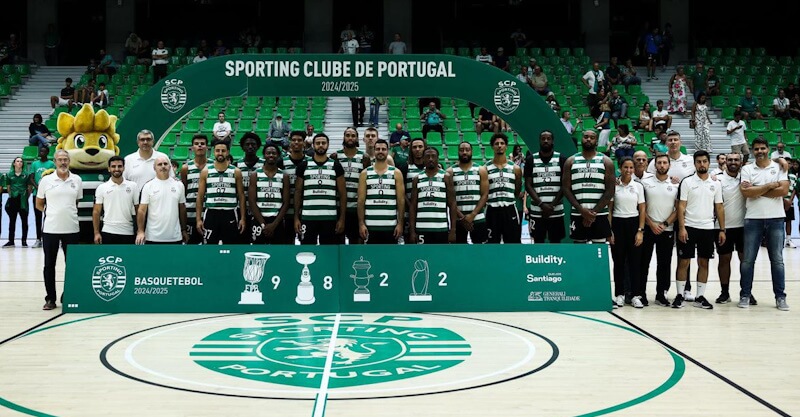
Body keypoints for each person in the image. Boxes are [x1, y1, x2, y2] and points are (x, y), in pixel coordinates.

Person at [738, 138, 790, 311]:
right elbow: (746, 193)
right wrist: (769, 186)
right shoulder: (746, 169)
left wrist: (757, 189)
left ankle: (780, 297)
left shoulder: (779, 167)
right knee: (747, 260)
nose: (759, 151)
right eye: (756, 149)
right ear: (752, 151)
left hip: (776, 219)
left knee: (777, 261)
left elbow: (783, 190)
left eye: (763, 148)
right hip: (753, 219)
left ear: (768, 149)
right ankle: (745, 295)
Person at [673, 150, 725, 309]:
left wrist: (722, 229)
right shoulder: (687, 182)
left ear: (709, 163)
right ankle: (680, 295)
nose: (702, 164)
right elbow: (681, 206)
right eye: (699, 162)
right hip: (688, 227)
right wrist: (681, 227)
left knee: (704, 262)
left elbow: (719, 207)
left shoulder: (715, 184)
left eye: (704, 161)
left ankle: (700, 296)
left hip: (708, 229)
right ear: (694, 164)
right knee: (683, 262)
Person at [35, 150, 82, 310]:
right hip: (50, 230)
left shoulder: (77, 180)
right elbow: (39, 203)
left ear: (69, 161)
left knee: (72, 265)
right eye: (60, 160)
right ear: (54, 161)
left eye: (66, 160)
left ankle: (67, 295)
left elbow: (76, 202)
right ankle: (50, 299)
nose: (63, 162)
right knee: (49, 265)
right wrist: (52, 213)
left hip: (72, 229)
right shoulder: (46, 181)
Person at [562, 130, 616, 243]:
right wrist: (581, 210)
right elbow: (566, 189)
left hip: (600, 214)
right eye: (586, 137)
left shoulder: (606, 161)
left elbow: (610, 190)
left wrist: (592, 213)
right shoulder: (570, 161)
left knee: (599, 250)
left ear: (596, 141)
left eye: (592, 137)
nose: (588, 139)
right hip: (578, 213)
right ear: (581, 139)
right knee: (579, 251)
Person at [294, 133, 347, 245]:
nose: (321, 145)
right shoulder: (304, 165)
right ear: (313, 145)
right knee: (307, 251)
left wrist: (342, 219)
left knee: (328, 253)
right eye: (318, 143)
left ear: (328, 145)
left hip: (329, 218)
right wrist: (296, 218)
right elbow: (298, 193)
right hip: (308, 217)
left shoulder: (336, 166)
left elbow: (342, 194)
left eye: (323, 143)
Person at [640, 154, 678, 307]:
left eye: (664, 163)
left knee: (664, 264)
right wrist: (651, 224)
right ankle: (640, 293)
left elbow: (678, 208)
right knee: (644, 263)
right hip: (648, 229)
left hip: (666, 230)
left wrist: (664, 224)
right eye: (659, 163)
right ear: (654, 165)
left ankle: (661, 294)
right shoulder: (645, 182)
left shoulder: (676, 185)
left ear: (669, 165)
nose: (662, 165)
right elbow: (640, 207)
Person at [609, 157, 646, 308]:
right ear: (620, 168)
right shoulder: (614, 186)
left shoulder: (638, 186)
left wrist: (640, 231)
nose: (629, 170)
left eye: (631, 168)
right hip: (618, 224)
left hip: (633, 224)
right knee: (618, 262)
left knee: (635, 262)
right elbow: (610, 210)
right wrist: (610, 230)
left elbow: (642, 209)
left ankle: (636, 295)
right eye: (626, 167)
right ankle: (620, 295)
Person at [196, 139, 247, 244]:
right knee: (209, 247)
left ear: (227, 152)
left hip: (230, 213)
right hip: (211, 213)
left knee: (231, 246)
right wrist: (198, 220)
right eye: (217, 150)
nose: (220, 153)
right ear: (214, 152)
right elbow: (200, 197)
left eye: (223, 151)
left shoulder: (236, 172)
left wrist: (243, 218)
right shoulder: (206, 171)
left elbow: (241, 196)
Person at [714, 152, 748, 304]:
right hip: (723, 227)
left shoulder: (747, 178)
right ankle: (724, 292)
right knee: (724, 259)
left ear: (741, 162)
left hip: (744, 226)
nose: (733, 162)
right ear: (725, 162)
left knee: (745, 260)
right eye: (730, 160)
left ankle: (746, 292)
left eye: (736, 160)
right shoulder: (718, 179)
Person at [358, 139, 405, 244]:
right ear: (374, 151)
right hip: (370, 226)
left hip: (391, 227)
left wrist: (400, 224)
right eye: (378, 149)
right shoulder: (365, 173)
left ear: (387, 151)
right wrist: (361, 224)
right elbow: (361, 201)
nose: (380, 151)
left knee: (390, 258)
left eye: (383, 149)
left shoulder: (396, 173)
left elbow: (401, 201)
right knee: (371, 258)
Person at [525, 131, 568, 244]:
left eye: (548, 138)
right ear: (539, 141)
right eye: (543, 138)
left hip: (556, 210)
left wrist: (552, 206)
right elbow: (528, 185)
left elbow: (565, 185)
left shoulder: (561, 159)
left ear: (552, 141)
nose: (546, 141)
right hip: (536, 211)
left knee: (556, 241)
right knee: (538, 241)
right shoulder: (531, 159)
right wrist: (541, 205)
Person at [135, 156, 188, 245]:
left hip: (175, 237)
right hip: (152, 237)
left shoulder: (179, 185)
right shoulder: (148, 186)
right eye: (159, 164)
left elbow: (182, 208)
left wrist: (183, 230)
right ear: (154, 168)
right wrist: (140, 231)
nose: (163, 166)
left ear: (170, 167)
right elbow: (142, 211)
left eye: (165, 164)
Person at [331, 127, 371, 244]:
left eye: (353, 135)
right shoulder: (335, 156)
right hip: (338, 207)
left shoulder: (364, 158)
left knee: (356, 242)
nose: (350, 138)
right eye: (347, 135)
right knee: (338, 242)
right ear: (343, 138)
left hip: (356, 208)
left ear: (357, 139)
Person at [409, 147, 456, 244]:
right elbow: (413, 206)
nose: (430, 159)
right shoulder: (417, 179)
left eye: (433, 156)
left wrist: (452, 230)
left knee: (440, 257)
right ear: (423, 159)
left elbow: (452, 204)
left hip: (441, 228)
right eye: (427, 156)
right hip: (421, 228)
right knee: (423, 257)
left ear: (438, 158)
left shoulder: (446, 177)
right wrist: (412, 231)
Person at [485, 133, 523, 243]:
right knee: (492, 245)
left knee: (513, 244)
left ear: (506, 146)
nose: (499, 146)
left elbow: (517, 190)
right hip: (492, 210)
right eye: (496, 143)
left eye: (502, 143)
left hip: (509, 209)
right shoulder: (485, 168)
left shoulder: (515, 168)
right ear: (492, 146)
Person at [92, 155, 139, 244]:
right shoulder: (102, 188)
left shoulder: (133, 186)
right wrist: (96, 233)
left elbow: (138, 210)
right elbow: (96, 212)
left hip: (128, 232)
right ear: (109, 168)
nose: (116, 169)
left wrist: (140, 230)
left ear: (124, 168)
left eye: (119, 166)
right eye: (113, 166)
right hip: (108, 231)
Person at [249, 143, 290, 244]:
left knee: (278, 253)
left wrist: (274, 225)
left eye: (274, 153)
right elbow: (252, 201)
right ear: (264, 155)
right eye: (268, 153)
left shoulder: (284, 176)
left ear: (278, 156)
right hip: (259, 219)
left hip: (277, 221)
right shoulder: (255, 174)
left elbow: (286, 202)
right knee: (257, 252)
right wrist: (263, 224)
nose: (271, 155)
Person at [449, 142, 489, 244]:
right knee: (459, 252)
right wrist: (462, 217)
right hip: (458, 220)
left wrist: (472, 215)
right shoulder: (450, 171)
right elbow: (449, 198)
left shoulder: (481, 170)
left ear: (472, 152)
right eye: (461, 150)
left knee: (480, 252)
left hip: (478, 218)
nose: (464, 152)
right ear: (457, 152)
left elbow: (484, 195)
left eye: (467, 150)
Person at [281, 131, 311, 244]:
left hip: (305, 211)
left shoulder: (310, 161)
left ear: (304, 143)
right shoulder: (281, 162)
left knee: (306, 245)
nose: (296, 142)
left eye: (299, 140)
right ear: (290, 143)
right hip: (287, 211)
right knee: (287, 245)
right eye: (294, 140)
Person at [180, 134, 209, 244]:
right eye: (197, 144)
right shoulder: (185, 168)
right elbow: (184, 192)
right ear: (192, 148)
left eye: (202, 144)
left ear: (207, 147)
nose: (200, 146)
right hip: (190, 214)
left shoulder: (213, 165)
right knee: (191, 245)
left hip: (208, 213)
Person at [236, 132, 264, 243]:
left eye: (253, 144)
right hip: (241, 209)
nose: (250, 146)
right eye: (247, 144)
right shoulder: (236, 166)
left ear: (258, 146)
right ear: (242, 147)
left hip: (260, 209)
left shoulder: (264, 164)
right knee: (241, 241)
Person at [124, 129, 171, 195]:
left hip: (158, 201)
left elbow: (171, 179)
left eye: (148, 139)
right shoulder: (128, 160)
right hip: (136, 202)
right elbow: (123, 182)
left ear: (153, 141)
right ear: (138, 142)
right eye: (142, 140)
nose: (145, 142)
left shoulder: (163, 158)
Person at [29, 146, 55, 248]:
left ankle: (47, 238)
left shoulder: (51, 164)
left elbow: (53, 177)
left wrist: (45, 188)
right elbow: (31, 178)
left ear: (47, 152)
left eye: (44, 151)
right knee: (38, 217)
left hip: (48, 194)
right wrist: (38, 187)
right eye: (40, 151)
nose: (42, 152)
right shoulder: (35, 164)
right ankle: (38, 239)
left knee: (48, 216)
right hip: (37, 194)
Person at [3, 157, 31, 248]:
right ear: (14, 163)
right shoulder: (9, 174)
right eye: (17, 161)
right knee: (12, 221)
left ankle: (24, 241)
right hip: (13, 200)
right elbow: (8, 187)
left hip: (23, 199)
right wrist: (11, 196)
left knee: (24, 221)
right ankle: (11, 241)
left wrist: (26, 197)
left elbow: (29, 188)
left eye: (21, 162)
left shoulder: (26, 174)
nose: (19, 163)